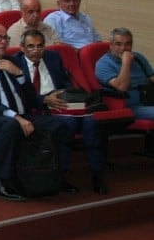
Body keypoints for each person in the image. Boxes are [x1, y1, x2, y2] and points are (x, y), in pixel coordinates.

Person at [0, 23, 76, 201]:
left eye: (5, 38)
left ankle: (56, 174)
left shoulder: (12, 61)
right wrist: (15, 117)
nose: (3, 42)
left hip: (23, 114)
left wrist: (20, 74)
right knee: (11, 125)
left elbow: (30, 96)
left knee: (60, 125)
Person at [17, 29, 108, 194]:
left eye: (40, 46)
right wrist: (44, 99)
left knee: (91, 122)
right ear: (22, 47)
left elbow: (65, 83)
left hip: (61, 103)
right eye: (30, 46)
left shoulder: (53, 57)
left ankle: (97, 173)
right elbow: (19, 94)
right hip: (38, 108)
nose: (36, 50)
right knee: (68, 124)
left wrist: (63, 95)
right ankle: (62, 174)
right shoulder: (15, 63)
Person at [95, 27, 154, 120]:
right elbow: (122, 87)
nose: (123, 48)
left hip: (149, 99)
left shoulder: (138, 57)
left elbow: (152, 78)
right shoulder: (103, 64)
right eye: (118, 44)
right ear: (111, 45)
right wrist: (126, 63)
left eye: (128, 44)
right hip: (130, 106)